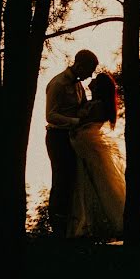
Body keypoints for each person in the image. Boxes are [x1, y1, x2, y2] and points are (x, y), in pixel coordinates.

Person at [67, 71, 140, 240]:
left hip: (89, 147)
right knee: (99, 186)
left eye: (95, 81)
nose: (91, 82)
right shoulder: (94, 103)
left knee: (103, 186)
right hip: (88, 146)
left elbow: (83, 125)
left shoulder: (97, 105)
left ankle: (107, 224)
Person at [45, 49, 99, 238]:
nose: (89, 75)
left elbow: (81, 107)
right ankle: (56, 226)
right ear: (79, 65)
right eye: (89, 70)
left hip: (73, 138)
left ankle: (69, 225)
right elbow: (50, 115)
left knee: (72, 180)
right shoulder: (58, 83)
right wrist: (76, 122)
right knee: (61, 179)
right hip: (57, 138)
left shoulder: (79, 87)